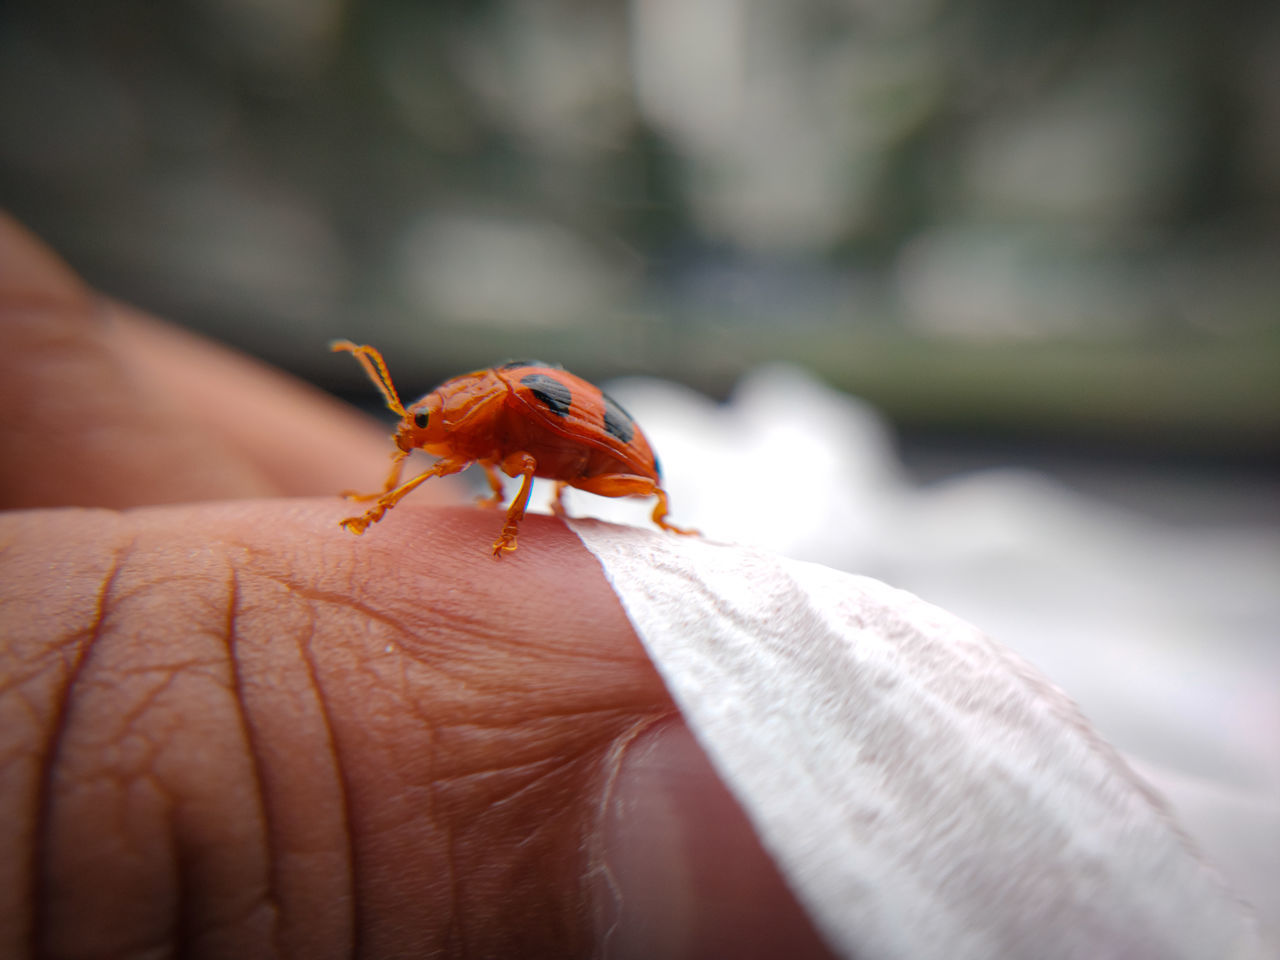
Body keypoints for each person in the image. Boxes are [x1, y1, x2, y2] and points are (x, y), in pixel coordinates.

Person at [0, 213, 837, 959]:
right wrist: (397, 491)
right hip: (565, 458)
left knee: (588, 489)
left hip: (607, 465)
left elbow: (537, 460)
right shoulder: (476, 417)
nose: (412, 434)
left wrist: (515, 520)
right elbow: (448, 449)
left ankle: (642, 526)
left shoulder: (512, 411)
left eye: (423, 421)